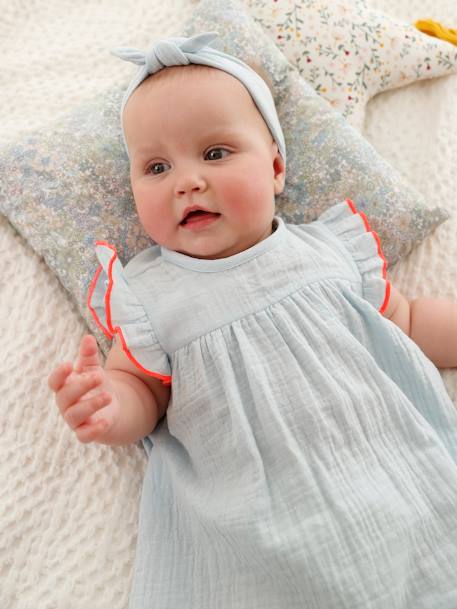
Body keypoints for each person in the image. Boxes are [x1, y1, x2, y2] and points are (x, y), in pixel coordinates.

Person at [48, 32, 457, 609]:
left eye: (215, 153)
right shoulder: (149, 295)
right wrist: (106, 403)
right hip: (256, 516)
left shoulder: (330, 250)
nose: (187, 180)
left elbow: (407, 321)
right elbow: (141, 392)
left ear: (276, 169)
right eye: (157, 166)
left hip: (390, 463)